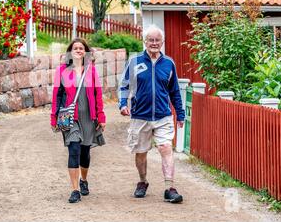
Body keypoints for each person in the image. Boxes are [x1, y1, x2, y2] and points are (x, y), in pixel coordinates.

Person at [118, 24, 185, 203]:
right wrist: (123, 103)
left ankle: (169, 188)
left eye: (157, 40)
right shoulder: (135, 62)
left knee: (165, 148)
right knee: (141, 152)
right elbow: (124, 85)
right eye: (151, 40)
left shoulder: (169, 63)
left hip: (163, 116)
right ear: (145, 41)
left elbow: (175, 91)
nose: (154, 43)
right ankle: (142, 182)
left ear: (162, 42)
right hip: (140, 116)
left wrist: (180, 113)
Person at [50, 38, 106, 203]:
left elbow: (97, 94)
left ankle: (84, 180)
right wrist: (53, 118)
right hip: (70, 117)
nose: (79, 50)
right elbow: (57, 95)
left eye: (81, 48)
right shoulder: (62, 71)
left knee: (85, 153)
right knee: (73, 149)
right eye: (75, 48)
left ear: (86, 52)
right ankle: (74, 190)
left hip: (88, 117)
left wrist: (101, 116)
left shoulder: (91, 71)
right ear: (70, 52)